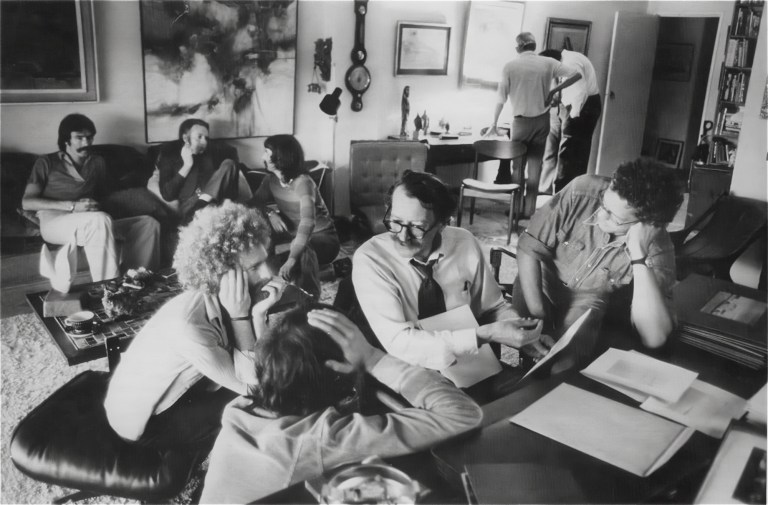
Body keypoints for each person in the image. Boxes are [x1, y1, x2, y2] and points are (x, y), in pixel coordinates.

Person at [199, 305, 483, 503]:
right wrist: (372, 358)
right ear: (338, 370)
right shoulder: (321, 438)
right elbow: (462, 414)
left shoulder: (241, 407)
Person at [104, 201, 282, 444]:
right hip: (147, 423)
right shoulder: (189, 325)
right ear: (219, 272)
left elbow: (260, 363)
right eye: (255, 267)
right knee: (260, 407)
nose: (268, 274)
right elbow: (254, 388)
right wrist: (241, 317)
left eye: (265, 261)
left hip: (187, 390)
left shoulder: (228, 297)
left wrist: (257, 315)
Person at [352, 170, 547, 372]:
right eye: (395, 221)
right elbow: (400, 342)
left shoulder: (464, 242)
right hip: (408, 370)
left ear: (444, 224)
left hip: (471, 365)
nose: (403, 236)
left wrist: (522, 331)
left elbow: (492, 307)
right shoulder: (371, 259)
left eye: (417, 227)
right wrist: (485, 335)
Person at [513, 158, 684, 367]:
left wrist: (638, 255)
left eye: (613, 217)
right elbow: (528, 249)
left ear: (648, 224)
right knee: (531, 356)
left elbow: (654, 336)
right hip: (540, 278)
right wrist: (541, 320)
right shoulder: (581, 189)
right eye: (604, 203)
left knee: (564, 367)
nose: (600, 215)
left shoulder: (658, 250)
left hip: (588, 302)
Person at [21, 113, 160, 282]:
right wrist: (72, 206)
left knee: (148, 223)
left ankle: (133, 282)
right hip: (54, 221)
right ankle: (108, 288)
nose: (86, 143)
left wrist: (95, 204)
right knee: (99, 221)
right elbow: (27, 202)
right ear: (66, 140)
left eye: (89, 138)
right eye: (79, 138)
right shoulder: (46, 162)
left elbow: (104, 194)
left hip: (90, 219)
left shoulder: (97, 162)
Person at [485, 32, 582, 217]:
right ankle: (529, 211)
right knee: (535, 166)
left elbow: (500, 98)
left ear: (518, 47)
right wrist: (555, 90)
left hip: (520, 124)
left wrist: (494, 123)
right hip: (542, 122)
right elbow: (577, 74)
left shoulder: (510, 66)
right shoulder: (548, 63)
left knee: (518, 168)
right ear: (534, 46)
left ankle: (515, 209)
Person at [249, 134, 340, 299]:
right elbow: (253, 203)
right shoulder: (270, 180)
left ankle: (310, 298)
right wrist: (271, 213)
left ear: (282, 156)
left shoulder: (303, 183)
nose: (263, 157)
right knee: (268, 261)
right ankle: (330, 270)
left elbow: (307, 223)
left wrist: (291, 258)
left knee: (299, 253)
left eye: (267, 152)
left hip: (323, 238)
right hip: (293, 235)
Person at [538, 49, 602, 193]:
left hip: (584, 107)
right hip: (570, 105)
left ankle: (563, 194)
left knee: (571, 151)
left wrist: (571, 118)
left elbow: (579, 89)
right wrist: (556, 98)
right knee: (555, 149)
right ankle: (548, 191)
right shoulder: (562, 61)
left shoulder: (571, 61)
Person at [156, 118, 242, 223]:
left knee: (229, 163)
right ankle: (200, 209)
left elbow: (231, 189)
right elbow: (167, 195)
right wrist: (187, 166)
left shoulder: (213, 153)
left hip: (214, 202)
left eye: (206, 138)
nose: (204, 142)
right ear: (185, 138)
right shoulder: (169, 155)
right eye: (199, 137)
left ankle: (203, 203)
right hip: (189, 207)